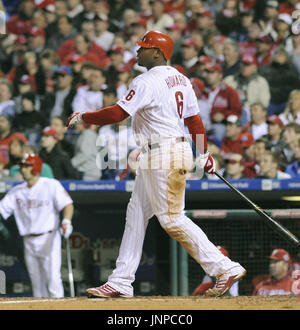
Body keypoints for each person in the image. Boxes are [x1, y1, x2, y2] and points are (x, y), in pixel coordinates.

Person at [66, 30, 246, 298]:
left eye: (143, 48)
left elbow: (117, 113)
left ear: (157, 53)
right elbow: (194, 121)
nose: (138, 52)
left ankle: (224, 267)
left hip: (166, 153)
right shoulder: (182, 79)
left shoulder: (146, 80)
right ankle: (121, 281)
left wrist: (84, 116)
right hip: (164, 151)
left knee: (172, 219)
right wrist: (203, 153)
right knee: (136, 213)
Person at [0, 153, 74, 297]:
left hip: (49, 237)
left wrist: (67, 220)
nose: (23, 169)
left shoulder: (50, 185)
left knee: (53, 280)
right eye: (22, 166)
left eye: (27, 166)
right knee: (37, 284)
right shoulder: (17, 191)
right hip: (28, 240)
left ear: (36, 167)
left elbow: (67, 204)